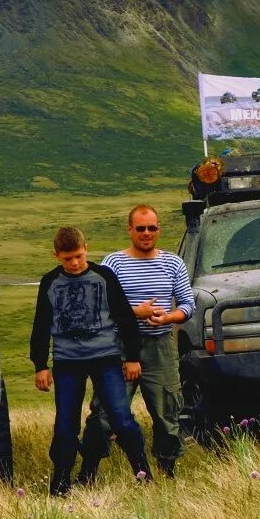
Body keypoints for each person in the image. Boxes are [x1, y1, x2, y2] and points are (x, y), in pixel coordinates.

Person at [30, 226, 151, 496]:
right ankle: (60, 483)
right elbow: (41, 325)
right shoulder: (50, 282)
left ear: (87, 249)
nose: (74, 263)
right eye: (67, 258)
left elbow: (125, 318)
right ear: (56, 255)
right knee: (65, 424)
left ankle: (143, 474)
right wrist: (40, 365)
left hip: (106, 357)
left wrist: (132, 357)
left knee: (121, 417)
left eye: (79, 256)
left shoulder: (104, 276)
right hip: (67, 362)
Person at [77, 205, 194, 480]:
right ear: (129, 230)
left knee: (167, 410)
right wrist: (134, 314)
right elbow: (98, 307)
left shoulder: (173, 263)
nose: (146, 233)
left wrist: (168, 317)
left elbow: (188, 304)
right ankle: (88, 472)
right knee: (104, 413)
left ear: (158, 229)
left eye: (152, 228)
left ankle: (168, 470)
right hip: (117, 348)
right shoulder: (113, 264)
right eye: (140, 228)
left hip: (161, 345)